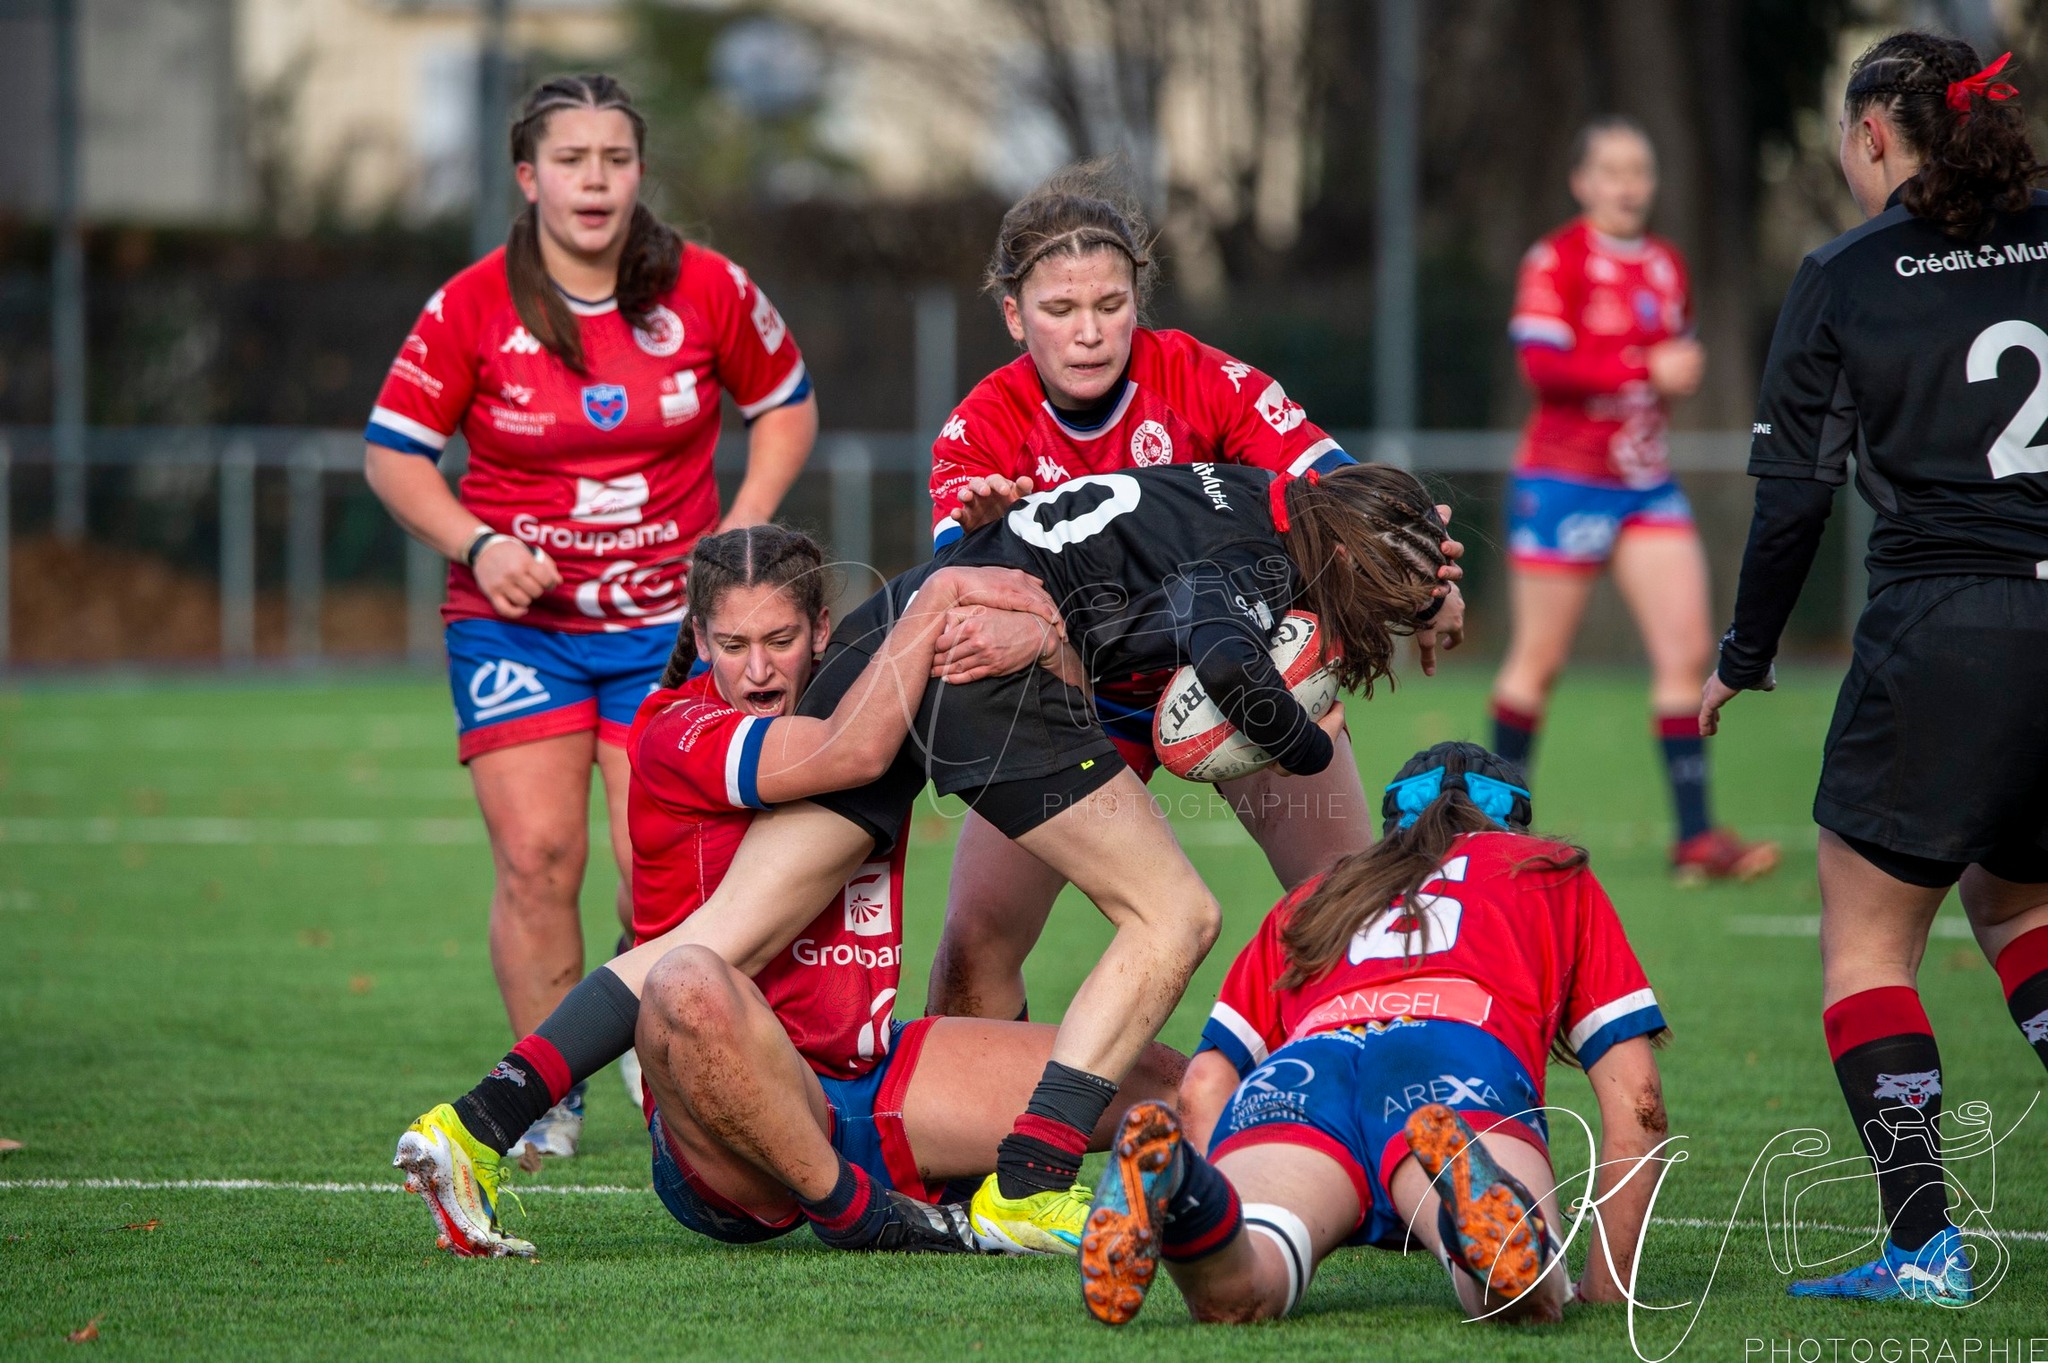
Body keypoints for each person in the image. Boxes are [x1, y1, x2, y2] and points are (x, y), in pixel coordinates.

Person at [401, 459, 1457, 1259]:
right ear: (1346, 554)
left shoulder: (1230, 487)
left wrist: (1415, 598)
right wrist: (1307, 735)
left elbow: (1154, 602)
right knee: (1172, 911)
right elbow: (1222, 651)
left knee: (715, 938)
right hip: (970, 658)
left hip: (896, 630)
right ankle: (1028, 1177)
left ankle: (476, 1122)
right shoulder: (1262, 548)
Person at [396, 524, 1183, 1256]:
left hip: (870, 1080)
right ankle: (865, 1217)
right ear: (700, 639)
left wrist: (1040, 631)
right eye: (732, 644)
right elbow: (850, 750)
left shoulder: (872, 687)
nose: (759, 668)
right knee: (688, 978)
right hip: (726, 1121)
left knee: (1169, 1084)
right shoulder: (676, 728)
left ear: (821, 629)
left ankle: (1192, 1227)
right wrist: (936, 595)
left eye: (779, 639)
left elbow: (1038, 707)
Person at [363, 75, 817, 1158]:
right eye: (572, 161)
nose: (595, 181)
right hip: (516, 627)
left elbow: (786, 406)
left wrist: (735, 544)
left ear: (638, 173)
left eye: (615, 159)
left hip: (665, 629)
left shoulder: (705, 288)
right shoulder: (471, 305)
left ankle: (650, 1028)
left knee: (643, 863)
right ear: (528, 177)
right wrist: (478, 542)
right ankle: (547, 1094)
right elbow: (392, 454)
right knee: (536, 854)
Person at [917, 161, 1468, 1022]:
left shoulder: (1203, 378)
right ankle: (978, 1154)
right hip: (1070, 699)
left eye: (1111, 304)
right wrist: (983, 547)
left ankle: (1374, 1125)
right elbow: (954, 613)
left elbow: (1346, 500)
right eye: (1060, 310)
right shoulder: (979, 429)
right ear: (1014, 316)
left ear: (1141, 295)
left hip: (1244, 667)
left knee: (1350, 910)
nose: (1090, 331)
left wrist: (1431, 585)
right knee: (973, 945)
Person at [1700, 33, 2048, 1305]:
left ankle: (1922, 1245)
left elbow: (1792, 498)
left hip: (1944, 628)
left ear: (1869, 138)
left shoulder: (1845, 273)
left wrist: (1741, 654)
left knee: (1866, 942)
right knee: (2016, 908)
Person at [1075, 741, 1673, 1327]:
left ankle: (1185, 1188)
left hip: (1308, 1072)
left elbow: (1205, 1082)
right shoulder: (1545, 870)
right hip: (1451, 1063)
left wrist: (1227, 1183)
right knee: (1521, 1296)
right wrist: (1607, 1290)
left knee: (1242, 1292)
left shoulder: (1319, 893)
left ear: (1392, 828)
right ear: (1513, 823)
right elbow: (1638, 1101)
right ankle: (1472, 1221)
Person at [1488, 117, 1776, 883]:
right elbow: (1544, 368)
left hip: (1644, 484)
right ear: (1582, 182)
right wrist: (1641, 366)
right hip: (1563, 479)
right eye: (1611, 170)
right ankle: (1487, 830)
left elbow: (1665, 371)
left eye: (1639, 171)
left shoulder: (1665, 266)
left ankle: (1694, 838)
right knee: (1538, 663)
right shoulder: (1558, 259)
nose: (1627, 185)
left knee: (1685, 652)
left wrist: (1657, 377)